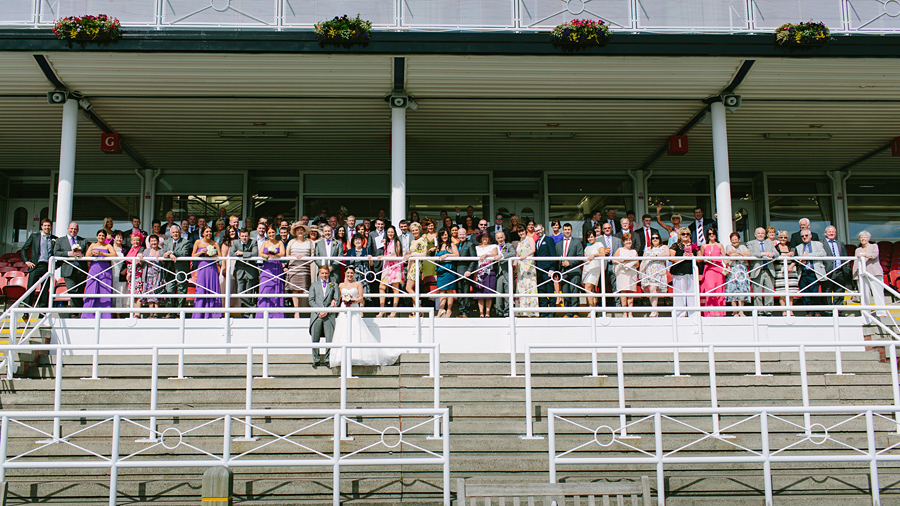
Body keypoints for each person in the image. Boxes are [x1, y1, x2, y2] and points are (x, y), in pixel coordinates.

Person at [328, 265, 401, 368]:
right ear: (345, 273)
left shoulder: (358, 284)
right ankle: (341, 356)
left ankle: (357, 354)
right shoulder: (340, 285)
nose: (349, 275)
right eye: (348, 273)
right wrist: (337, 301)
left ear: (354, 274)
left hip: (353, 307)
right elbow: (338, 297)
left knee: (356, 328)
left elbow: (361, 297)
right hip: (344, 308)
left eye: (351, 273)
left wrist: (352, 301)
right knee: (343, 329)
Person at [52, 222, 87, 316]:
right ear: (68, 229)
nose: (73, 231)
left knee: (79, 292)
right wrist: (68, 254)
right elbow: (56, 253)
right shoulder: (60, 240)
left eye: (75, 229)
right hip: (68, 270)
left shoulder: (83, 240)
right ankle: (79, 310)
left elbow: (87, 253)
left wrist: (82, 255)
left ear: (78, 230)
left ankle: (74, 314)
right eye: (71, 228)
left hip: (81, 270)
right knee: (72, 290)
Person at [21, 218, 55, 308]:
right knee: (31, 288)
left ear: (51, 227)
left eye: (48, 225)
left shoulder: (54, 239)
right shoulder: (34, 236)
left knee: (44, 289)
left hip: (48, 267)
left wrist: (56, 265)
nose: (47, 227)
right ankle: (27, 310)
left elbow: (56, 253)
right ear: (41, 226)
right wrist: (26, 261)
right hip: (35, 265)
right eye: (45, 225)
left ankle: (42, 311)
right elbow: (24, 249)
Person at [82, 230, 116, 319]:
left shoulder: (108, 246)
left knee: (105, 291)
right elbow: (86, 256)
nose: (101, 237)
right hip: (94, 269)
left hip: (105, 270)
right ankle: (88, 314)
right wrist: (91, 253)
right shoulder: (92, 245)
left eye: (103, 236)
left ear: (105, 237)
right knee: (91, 290)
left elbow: (114, 255)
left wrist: (102, 254)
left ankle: (105, 315)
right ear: (97, 236)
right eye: (99, 235)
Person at [853, 230, 887, 317]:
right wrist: (855, 275)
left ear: (868, 238)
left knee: (878, 293)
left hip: (874, 273)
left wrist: (863, 255)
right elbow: (856, 263)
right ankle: (865, 313)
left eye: (864, 237)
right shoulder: (857, 250)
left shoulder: (874, 246)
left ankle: (881, 312)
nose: (863, 239)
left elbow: (873, 255)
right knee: (864, 294)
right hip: (862, 274)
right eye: (861, 237)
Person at [191, 226, 223, 319]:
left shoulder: (215, 243)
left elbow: (220, 257)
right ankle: (199, 313)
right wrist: (200, 252)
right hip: (202, 267)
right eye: (207, 232)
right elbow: (193, 255)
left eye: (210, 231)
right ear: (203, 233)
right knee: (201, 288)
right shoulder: (198, 242)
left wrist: (213, 254)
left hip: (212, 268)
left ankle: (214, 313)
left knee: (212, 288)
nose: (209, 233)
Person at [309, 265, 337, 367]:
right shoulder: (314, 285)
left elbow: (336, 300)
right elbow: (311, 300)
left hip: (329, 316)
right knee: (315, 338)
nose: (324, 275)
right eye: (322, 273)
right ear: (319, 274)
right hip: (317, 315)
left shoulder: (333, 285)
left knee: (329, 339)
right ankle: (316, 359)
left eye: (326, 273)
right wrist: (319, 311)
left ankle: (327, 359)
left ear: (329, 273)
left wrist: (327, 310)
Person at [747, 227, 779, 314]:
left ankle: (768, 310)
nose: (760, 235)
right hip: (757, 270)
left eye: (762, 233)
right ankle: (759, 311)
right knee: (757, 292)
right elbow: (750, 253)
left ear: (765, 235)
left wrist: (773, 254)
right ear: (755, 235)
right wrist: (762, 254)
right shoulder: (750, 243)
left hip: (769, 270)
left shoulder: (770, 243)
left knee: (769, 291)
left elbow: (777, 253)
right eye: (759, 233)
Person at [229, 228, 259, 318]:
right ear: (239, 236)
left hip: (250, 271)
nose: (244, 238)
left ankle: (246, 315)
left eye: (246, 236)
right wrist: (246, 254)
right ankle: (253, 307)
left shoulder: (253, 242)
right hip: (240, 271)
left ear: (249, 236)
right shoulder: (235, 242)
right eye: (242, 236)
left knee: (249, 294)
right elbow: (231, 254)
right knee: (240, 293)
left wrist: (242, 253)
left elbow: (255, 253)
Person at [795, 229, 827, 314]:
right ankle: (809, 312)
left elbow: (823, 254)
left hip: (814, 272)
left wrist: (808, 256)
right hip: (803, 272)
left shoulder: (818, 244)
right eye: (802, 236)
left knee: (814, 292)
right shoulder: (798, 247)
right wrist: (801, 261)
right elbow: (796, 260)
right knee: (805, 293)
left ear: (810, 235)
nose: (804, 237)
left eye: (806, 235)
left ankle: (817, 312)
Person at [555, 223, 583, 317]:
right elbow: (557, 258)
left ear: (571, 230)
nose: (567, 231)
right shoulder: (558, 244)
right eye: (565, 229)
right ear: (563, 230)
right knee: (566, 291)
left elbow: (580, 257)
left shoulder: (577, 242)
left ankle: (575, 312)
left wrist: (569, 262)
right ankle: (567, 312)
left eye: (569, 229)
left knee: (574, 291)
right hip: (563, 271)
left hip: (574, 270)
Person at [257, 226, 285, 318]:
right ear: (267, 234)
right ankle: (263, 313)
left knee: (276, 288)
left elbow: (283, 253)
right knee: (265, 288)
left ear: (275, 233)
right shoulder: (265, 243)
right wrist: (266, 255)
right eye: (269, 233)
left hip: (276, 267)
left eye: (273, 232)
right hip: (267, 267)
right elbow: (260, 253)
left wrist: (275, 254)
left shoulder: (279, 242)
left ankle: (277, 314)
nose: (271, 234)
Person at [669, 227, 698, 318]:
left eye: (687, 234)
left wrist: (693, 256)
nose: (685, 235)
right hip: (679, 271)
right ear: (680, 236)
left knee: (692, 293)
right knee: (679, 293)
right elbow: (671, 258)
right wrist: (683, 257)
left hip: (690, 271)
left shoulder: (694, 246)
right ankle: (680, 314)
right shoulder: (675, 245)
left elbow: (700, 259)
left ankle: (693, 313)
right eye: (683, 234)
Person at [285, 223, 313, 315]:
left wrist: (305, 258)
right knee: (294, 289)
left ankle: (298, 309)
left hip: (305, 268)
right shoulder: (291, 242)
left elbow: (312, 255)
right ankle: (296, 311)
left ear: (304, 231)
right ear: (295, 232)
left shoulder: (309, 242)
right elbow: (287, 255)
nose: (300, 232)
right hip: (294, 268)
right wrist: (294, 256)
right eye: (298, 230)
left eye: (301, 230)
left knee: (301, 290)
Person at [698, 228, 726, 317]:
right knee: (710, 289)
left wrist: (727, 265)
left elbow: (724, 257)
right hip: (709, 268)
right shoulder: (704, 246)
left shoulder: (720, 245)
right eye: (710, 233)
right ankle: (710, 312)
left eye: (713, 233)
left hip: (718, 268)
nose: (711, 235)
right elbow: (700, 259)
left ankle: (719, 312)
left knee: (719, 290)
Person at [821, 225, 851, 307]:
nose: (831, 233)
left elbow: (845, 257)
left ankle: (838, 311)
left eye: (833, 231)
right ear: (825, 233)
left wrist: (847, 269)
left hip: (840, 271)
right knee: (827, 292)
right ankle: (829, 312)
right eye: (829, 232)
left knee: (840, 291)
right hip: (827, 271)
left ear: (836, 233)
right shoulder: (821, 244)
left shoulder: (840, 244)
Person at [640, 233, 669, 317]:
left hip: (659, 270)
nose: (655, 239)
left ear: (659, 239)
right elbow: (643, 260)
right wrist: (641, 271)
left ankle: (654, 310)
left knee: (653, 288)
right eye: (653, 238)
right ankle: (654, 310)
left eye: (656, 238)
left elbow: (667, 254)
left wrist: (656, 255)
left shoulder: (664, 247)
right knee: (651, 290)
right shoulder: (648, 249)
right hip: (649, 271)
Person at [378, 226, 404, 317]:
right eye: (388, 232)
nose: (390, 234)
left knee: (395, 289)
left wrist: (384, 257)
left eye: (392, 232)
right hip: (386, 267)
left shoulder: (397, 242)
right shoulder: (387, 243)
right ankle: (382, 310)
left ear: (395, 233)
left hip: (395, 267)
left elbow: (397, 255)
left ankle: (394, 311)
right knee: (381, 287)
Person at [404, 222, 429, 316]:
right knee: (413, 289)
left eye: (416, 230)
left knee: (408, 288)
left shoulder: (423, 240)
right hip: (411, 266)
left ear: (419, 230)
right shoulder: (413, 241)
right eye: (413, 230)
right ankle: (415, 311)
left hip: (416, 266)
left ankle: (420, 307)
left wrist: (412, 254)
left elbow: (424, 254)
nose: (414, 232)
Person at [724, 232, 751, 316]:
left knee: (742, 289)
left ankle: (741, 310)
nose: (734, 241)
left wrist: (738, 253)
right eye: (732, 240)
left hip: (742, 269)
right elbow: (731, 254)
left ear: (739, 239)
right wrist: (742, 255)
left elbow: (749, 254)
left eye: (736, 239)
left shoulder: (742, 246)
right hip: (733, 269)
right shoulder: (728, 246)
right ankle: (735, 310)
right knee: (732, 289)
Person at [473, 230, 498, 318]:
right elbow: (474, 261)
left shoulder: (493, 246)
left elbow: (495, 254)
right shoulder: (476, 248)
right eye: (483, 237)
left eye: (486, 237)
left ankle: (487, 313)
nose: (484, 238)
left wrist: (486, 255)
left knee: (489, 292)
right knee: (479, 293)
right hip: (479, 272)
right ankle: (481, 313)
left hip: (489, 271)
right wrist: (474, 274)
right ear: (480, 238)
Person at [514, 225, 538, 317]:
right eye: (519, 232)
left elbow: (533, 249)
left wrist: (525, 256)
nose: (521, 233)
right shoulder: (520, 243)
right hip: (521, 268)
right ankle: (521, 311)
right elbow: (517, 255)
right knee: (521, 287)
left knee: (529, 286)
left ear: (525, 230)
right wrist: (514, 265)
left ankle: (530, 311)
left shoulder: (530, 239)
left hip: (528, 266)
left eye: (522, 231)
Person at [613, 233, 639, 317]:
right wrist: (623, 260)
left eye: (630, 240)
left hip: (631, 272)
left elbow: (637, 264)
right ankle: (624, 312)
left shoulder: (634, 251)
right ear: (623, 241)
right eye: (627, 240)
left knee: (630, 292)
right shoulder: (619, 250)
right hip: (622, 273)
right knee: (623, 291)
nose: (628, 241)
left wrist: (632, 262)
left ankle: (630, 312)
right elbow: (613, 261)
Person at [434, 228, 459, 317]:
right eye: (442, 235)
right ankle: (440, 310)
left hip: (449, 269)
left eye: (445, 234)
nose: (444, 236)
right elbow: (436, 257)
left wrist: (447, 255)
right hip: (440, 270)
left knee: (449, 291)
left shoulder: (451, 244)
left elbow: (457, 255)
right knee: (441, 291)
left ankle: (449, 310)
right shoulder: (438, 246)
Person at [140, 235, 165, 318]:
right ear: (149, 242)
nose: (153, 243)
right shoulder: (146, 251)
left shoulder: (161, 250)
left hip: (158, 275)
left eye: (155, 241)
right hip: (148, 275)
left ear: (158, 242)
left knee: (157, 293)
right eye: (152, 241)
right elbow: (141, 262)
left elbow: (165, 264)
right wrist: (139, 256)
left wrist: (161, 258)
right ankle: (151, 313)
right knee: (149, 293)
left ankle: (156, 313)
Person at [453, 226, 477, 318]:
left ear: (466, 235)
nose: (462, 236)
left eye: (463, 234)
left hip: (466, 272)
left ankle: (465, 312)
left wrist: (469, 270)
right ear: (458, 235)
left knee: (465, 292)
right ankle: (461, 311)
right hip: (457, 272)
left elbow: (473, 259)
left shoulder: (470, 244)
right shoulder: (456, 245)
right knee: (459, 292)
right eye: (460, 234)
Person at [599, 222, 623, 308]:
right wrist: (602, 253)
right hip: (603, 264)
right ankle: (602, 305)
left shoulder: (617, 240)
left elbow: (620, 253)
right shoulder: (598, 240)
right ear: (602, 230)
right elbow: (594, 252)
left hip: (614, 264)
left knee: (615, 285)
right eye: (605, 228)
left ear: (611, 229)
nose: (607, 229)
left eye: (609, 228)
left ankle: (617, 304)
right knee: (602, 285)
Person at [774, 230, 798, 316]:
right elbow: (775, 257)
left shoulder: (791, 247)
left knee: (791, 292)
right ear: (778, 238)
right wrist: (787, 255)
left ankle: (790, 309)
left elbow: (796, 258)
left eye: (785, 237)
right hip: (780, 271)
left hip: (791, 271)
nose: (783, 239)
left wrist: (791, 266)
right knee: (782, 291)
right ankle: (784, 310)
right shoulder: (775, 248)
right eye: (781, 237)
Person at [582, 230, 605, 308]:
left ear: (595, 236)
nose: (590, 239)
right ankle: (594, 308)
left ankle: (591, 309)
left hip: (595, 268)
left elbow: (603, 254)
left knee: (587, 287)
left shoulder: (599, 244)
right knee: (590, 290)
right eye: (588, 237)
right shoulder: (587, 247)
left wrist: (594, 255)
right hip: (587, 268)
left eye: (591, 237)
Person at [122, 233, 144, 314]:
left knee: (137, 293)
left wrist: (130, 272)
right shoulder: (131, 249)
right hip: (130, 274)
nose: (136, 242)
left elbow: (137, 262)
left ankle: (137, 313)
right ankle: (133, 312)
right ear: (131, 241)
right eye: (134, 240)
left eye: (138, 240)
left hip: (137, 273)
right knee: (132, 293)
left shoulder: (141, 249)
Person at [110, 231, 128, 314]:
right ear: (114, 238)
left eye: (121, 237)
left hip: (122, 273)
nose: (119, 239)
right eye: (117, 237)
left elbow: (128, 261)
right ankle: (112, 312)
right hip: (112, 271)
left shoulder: (126, 248)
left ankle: (119, 313)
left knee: (121, 290)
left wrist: (126, 269)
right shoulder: (109, 247)